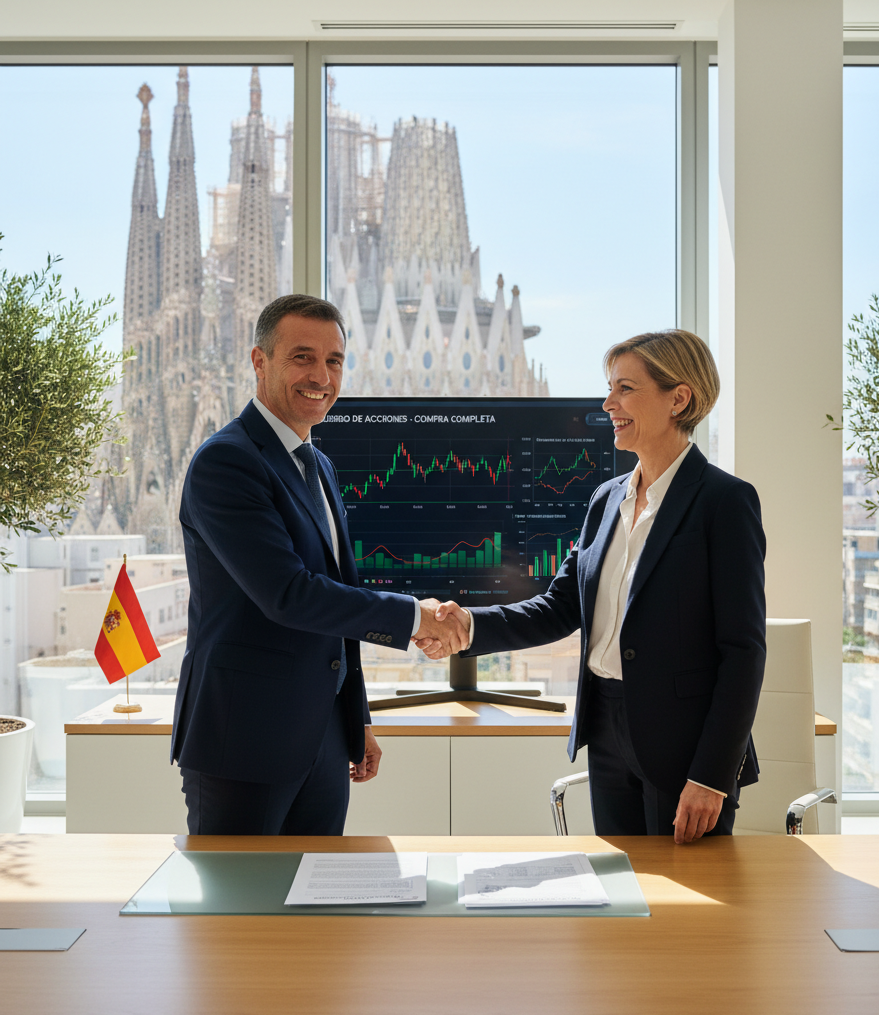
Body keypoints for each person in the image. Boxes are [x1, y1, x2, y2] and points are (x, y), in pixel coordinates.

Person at [425, 330, 766, 842]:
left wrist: (712, 776)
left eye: (625, 389)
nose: (608, 404)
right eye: (610, 389)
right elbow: (559, 607)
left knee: (689, 910)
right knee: (619, 894)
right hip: (605, 729)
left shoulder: (725, 502)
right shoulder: (606, 500)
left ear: (679, 398)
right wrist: (469, 626)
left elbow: (743, 653)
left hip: (684, 744)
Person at [171, 294, 467, 835]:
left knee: (319, 911)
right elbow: (289, 594)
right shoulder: (227, 462)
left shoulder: (318, 464)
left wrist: (357, 721)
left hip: (325, 741)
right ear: (260, 362)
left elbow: (337, 597)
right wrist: (415, 618)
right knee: (238, 914)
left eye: (334, 361)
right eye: (302, 357)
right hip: (245, 743)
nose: (321, 376)